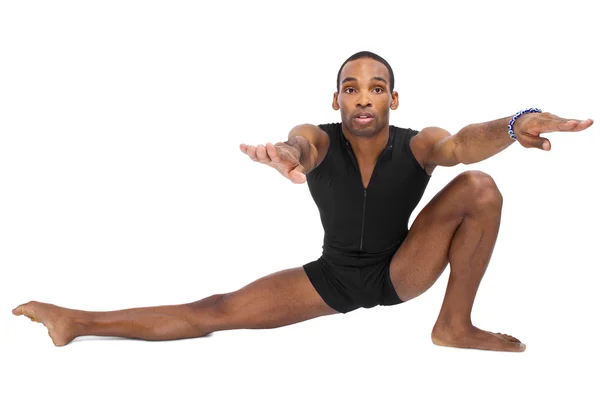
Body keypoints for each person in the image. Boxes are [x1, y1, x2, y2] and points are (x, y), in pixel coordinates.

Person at [13, 51, 593, 351]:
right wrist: (286, 155)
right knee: (213, 310)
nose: (363, 97)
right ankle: (76, 320)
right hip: (333, 277)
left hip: (401, 269)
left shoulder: (419, 144)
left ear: (393, 97)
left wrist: (515, 123)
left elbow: (464, 144)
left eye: (375, 87)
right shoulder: (318, 134)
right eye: (350, 87)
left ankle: (454, 324)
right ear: (337, 99)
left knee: (479, 187)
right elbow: (303, 146)